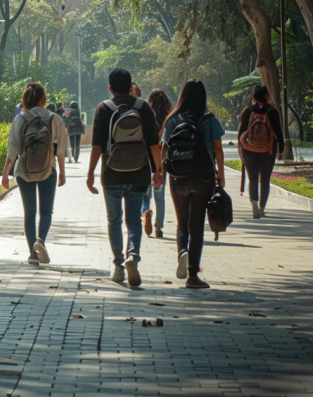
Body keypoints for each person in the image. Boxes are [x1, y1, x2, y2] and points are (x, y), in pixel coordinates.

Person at [87, 68, 162, 286]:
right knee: (133, 221)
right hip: (139, 173)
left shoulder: (103, 109)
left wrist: (91, 173)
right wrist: (158, 170)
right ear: (131, 86)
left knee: (114, 221)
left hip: (111, 174)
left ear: (110, 87)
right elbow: (153, 144)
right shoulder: (143, 107)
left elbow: (97, 146)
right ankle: (133, 257)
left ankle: (118, 266)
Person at [162, 80, 225, 289]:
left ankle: (182, 252)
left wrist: (161, 172)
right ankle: (193, 275)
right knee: (196, 226)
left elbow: (165, 149)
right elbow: (218, 150)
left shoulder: (173, 119)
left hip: (178, 178)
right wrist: (221, 175)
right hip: (203, 177)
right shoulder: (209, 119)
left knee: (182, 223)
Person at [1, 83, 68, 265]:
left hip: (24, 171)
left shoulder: (21, 119)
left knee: (29, 213)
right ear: (43, 100)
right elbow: (60, 149)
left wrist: (5, 174)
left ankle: (32, 253)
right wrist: (62, 171)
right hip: (48, 169)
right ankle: (41, 241)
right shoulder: (54, 118)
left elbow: (12, 151)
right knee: (46, 211)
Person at [238, 84, 284, 219]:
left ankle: (253, 204)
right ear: (266, 96)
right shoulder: (272, 112)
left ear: (253, 97)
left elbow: (241, 133)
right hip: (267, 151)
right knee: (264, 180)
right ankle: (262, 208)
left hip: (249, 150)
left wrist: (242, 149)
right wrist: (280, 150)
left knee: (252, 178)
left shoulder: (247, 111)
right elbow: (278, 132)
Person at [142, 89, 173, 238]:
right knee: (160, 195)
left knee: (145, 194)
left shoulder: (146, 116)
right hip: (162, 160)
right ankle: (158, 227)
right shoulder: (170, 118)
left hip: (147, 160)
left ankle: (146, 211)